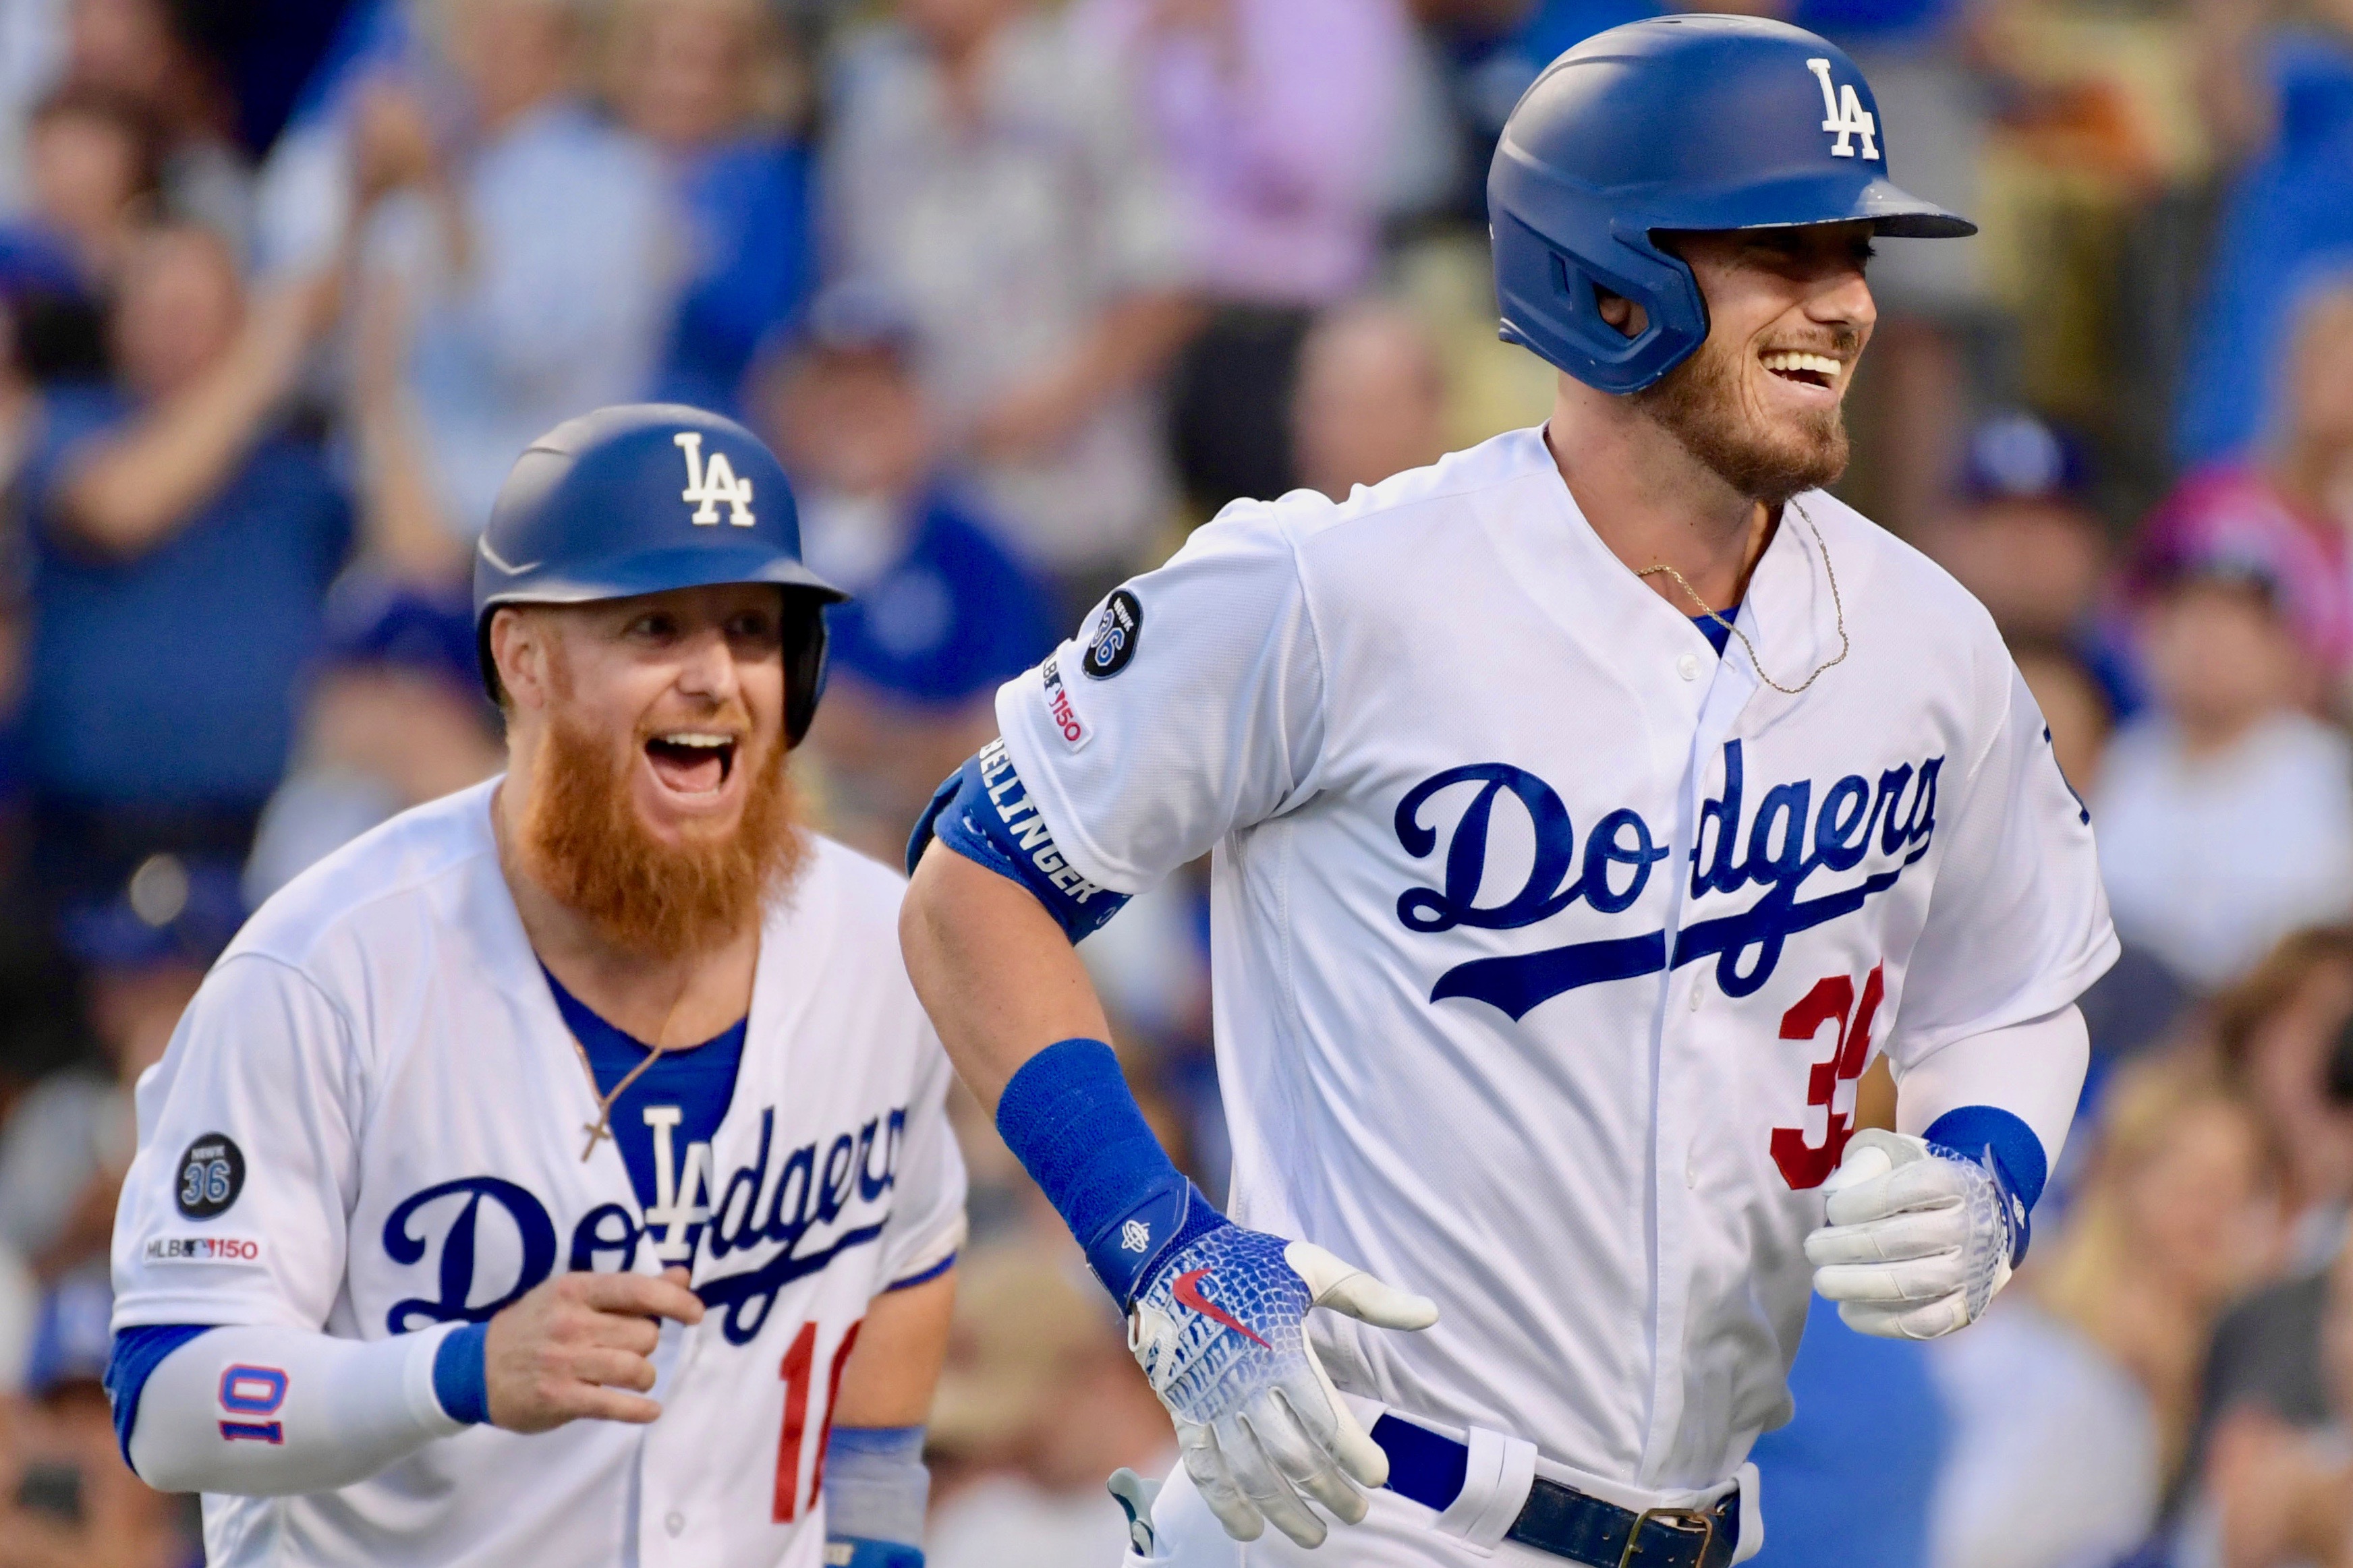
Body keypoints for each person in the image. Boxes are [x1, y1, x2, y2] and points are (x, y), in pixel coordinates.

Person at [898, 18, 2114, 1565]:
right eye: (1782, 248)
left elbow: (2014, 982)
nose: (1847, 303)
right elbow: (969, 885)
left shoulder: (1924, 636)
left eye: (1854, 252)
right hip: (1361, 1508)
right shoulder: (1334, 589)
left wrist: (1991, 1163)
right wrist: (1159, 1249)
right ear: (1604, 280)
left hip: (1708, 1525)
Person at [102, 406, 967, 1567]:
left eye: (752, 630)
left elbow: (907, 1261)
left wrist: (874, 1549)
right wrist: (455, 1371)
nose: (715, 676)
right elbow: (167, 1403)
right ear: (524, 659)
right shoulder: (323, 972)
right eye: (655, 626)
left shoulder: (880, 943)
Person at [16, 222, 349, 906]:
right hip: (88, 842)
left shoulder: (301, 463)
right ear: (116, 326)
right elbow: (121, 508)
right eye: (155, 310)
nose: (173, 331)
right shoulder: (70, 424)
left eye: (195, 311)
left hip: (258, 845)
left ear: (236, 318)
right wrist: (273, 344)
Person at [823, 0, 1198, 604]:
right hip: (924, 508)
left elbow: (1165, 283)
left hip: (1074, 499)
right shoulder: (873, 94)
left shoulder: (1087, 80)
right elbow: (848, 300)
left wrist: (1049, 403)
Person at [350, 0, 675, 546]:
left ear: (566, 50)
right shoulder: (453, 165)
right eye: (474, 34)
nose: (481, 56)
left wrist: (437, 190)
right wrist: (362, 198)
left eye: (509, 35)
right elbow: (354, 361)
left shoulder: (613, 180)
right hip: (396, 519)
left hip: (541, 532)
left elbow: (529, 351)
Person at [762, 282, 1054, 861]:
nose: (856, 405)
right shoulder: (753, 542)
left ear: (919, 402)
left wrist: (864, 738)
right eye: (835, 384)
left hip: (953, 839)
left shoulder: (978, 553)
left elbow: (1011, 741)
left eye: (879, 383)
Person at [2093, 554, 2353, 992]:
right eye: (2190, 619)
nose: (2208, 643)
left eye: (2235, 624)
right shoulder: (2123, 761)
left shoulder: (2329, 771)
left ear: (2283, 648)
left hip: (2267, 1009)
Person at [605, 0, 816, 420]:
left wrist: (682, 259)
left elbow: (760, 323)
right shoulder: (595, 162)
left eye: (706, 65)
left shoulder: (762, 176)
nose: (682, 85)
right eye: (663, 61)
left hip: (708, 428)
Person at [1289, 298, 1452, 503]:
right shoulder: (1269, 529)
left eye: (1383, 410)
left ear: (1431, 414)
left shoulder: (1476, 527)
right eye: (1340, 408)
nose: (1359, 432)